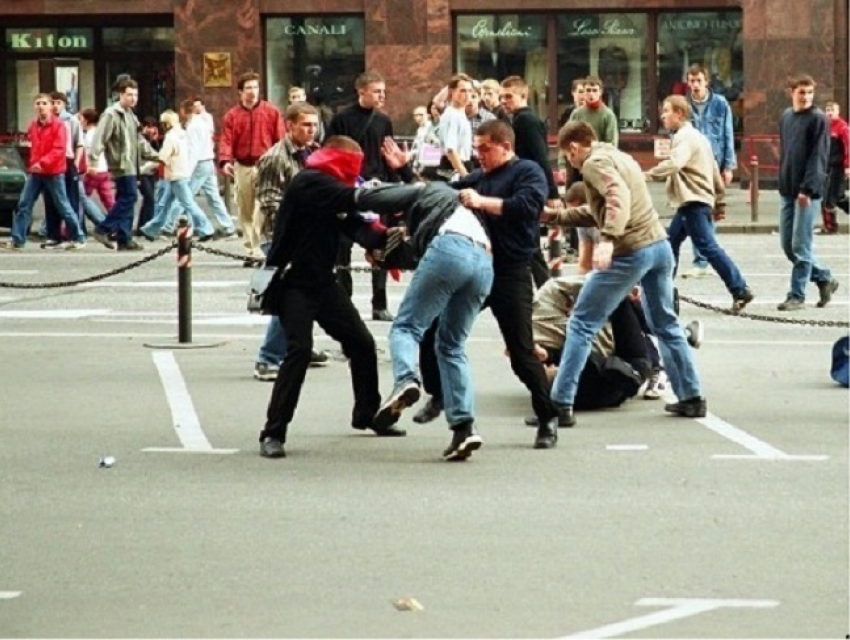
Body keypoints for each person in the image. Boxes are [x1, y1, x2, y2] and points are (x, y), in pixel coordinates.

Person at [544, 120, 706, 425]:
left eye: (568, 157)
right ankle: (692, 397)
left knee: (581, 323)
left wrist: (607, 239)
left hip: (631, 249)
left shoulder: (593, 164)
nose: (570, 164)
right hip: (658, 245)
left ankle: (560, 403)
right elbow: (601, 208)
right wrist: (558, 217)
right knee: (665, 323)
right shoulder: (621, 157)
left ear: (574, 148)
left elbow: (617, 198)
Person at [257, 136, 405, 459]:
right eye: (353, 164)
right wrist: (413, 193)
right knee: (299, 350)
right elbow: (358, 200)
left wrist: (386, 237)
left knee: (361, 344)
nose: (356, 172)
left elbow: (357, 225)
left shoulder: (329, 189)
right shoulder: (310, 182)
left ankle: (366, 413)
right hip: (291, 281)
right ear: (339, 160)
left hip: (322, 282)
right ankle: (273, 432)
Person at [435, 119, 562, 449]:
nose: (479, 155)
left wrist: (481, 202)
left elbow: (527, 207)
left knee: (521, 351)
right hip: (477, 268)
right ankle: (438, 394)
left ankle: (548, 417)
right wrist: (407, 174)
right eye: (476, 149)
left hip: (511, 272)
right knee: (439, 332)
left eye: (485, 149)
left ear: (506, 147)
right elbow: (449, 189)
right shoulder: (481, 177)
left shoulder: (527, 172)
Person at [355, 181, 494, 460]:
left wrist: (349, 194)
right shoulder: (459, 211)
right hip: (484, 262)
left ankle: (406, 380)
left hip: (450, 248)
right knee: (451, 345)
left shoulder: (427, 189)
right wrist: (385, 258)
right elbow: (424, 258)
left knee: (406, 327)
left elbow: (376, 197)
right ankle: (464, 428)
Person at [645, 95, 754, 312]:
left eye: (666, 111)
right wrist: (719, 202)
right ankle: (662, 293)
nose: (663, 116)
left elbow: (675, 163)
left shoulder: (684, 137)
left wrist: (647, 174)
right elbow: (714, 171)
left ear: (680, 114)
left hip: (692, 200)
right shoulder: (699, 137)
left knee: (706, 246)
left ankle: (739, 288)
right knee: (669, 243)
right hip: (697, 200)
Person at [328, 71, 415, 322]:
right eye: (377, 91)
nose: (382, 96)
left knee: (380, 247)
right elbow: (332, 151)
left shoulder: (383, 121)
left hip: (378, 189)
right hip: (350, 190)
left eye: (384, 91)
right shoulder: (342, 119)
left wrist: (395, 191)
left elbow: (389, 155)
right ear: (361, 91)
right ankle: (345, 303)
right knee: (342, 249)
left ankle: (380, 303)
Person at [252, 103, 328, 381]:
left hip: (307, 235)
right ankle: (268, 358)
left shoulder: (313, 152)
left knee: (307, 293)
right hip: (281, 237)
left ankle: (299, 347)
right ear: (290, 125)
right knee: (287, 296)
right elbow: (269, 201)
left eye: (314, 124)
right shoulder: (275, 158)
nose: (312, 130)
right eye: (306, 125)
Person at [531, 276, 650, 411]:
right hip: (619, 371)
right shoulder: (550, 297)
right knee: (619, 300)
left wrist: (547, 356)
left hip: (608, 378)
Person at [776, 74, 839, 311]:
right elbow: (786, 152)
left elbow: (818, 158)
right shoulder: (786, 117)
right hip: (787, 189)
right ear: (791, 92)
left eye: (810, 93)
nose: (806, 97)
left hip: (807, 192)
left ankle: (797, 295)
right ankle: (823, 278)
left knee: (801, 245)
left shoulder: (818, 119)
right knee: (788, 245)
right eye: (801, 92)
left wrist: (808, 189)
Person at [1, 94, 86, 251]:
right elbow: (33, 147)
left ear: (51, 106)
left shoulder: (59, 125)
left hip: (54, 172)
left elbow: (59, 149)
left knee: (63, 205)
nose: (41, 106)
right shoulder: (33, 125)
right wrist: (33, 164)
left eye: (44, 103)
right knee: (24, 204)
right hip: (36, 172)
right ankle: (17, 239)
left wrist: (42, 163)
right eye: (38, 103)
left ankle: (78, 237)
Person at [218, 71, 285, 264]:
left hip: (265, 165)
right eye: (248, 88)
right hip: (242, 165)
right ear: (240, 91)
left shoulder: (271, 112)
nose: (252, 92)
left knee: (261, 208)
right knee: (245, 208)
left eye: (255, 87)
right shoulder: (232, 115)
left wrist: (280, 161)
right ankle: (250, 248)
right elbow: (226, 140)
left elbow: (279, 139)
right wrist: (225, 161)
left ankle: (257, 248)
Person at [500, 75, 560, 288]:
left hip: (529, 187)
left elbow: (541, 156)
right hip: (523, 185)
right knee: (527, 242)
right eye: (502, 97)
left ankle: (547, 290)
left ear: (523, 95)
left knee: (530, 243)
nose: (504, 101)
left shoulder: (526, 120)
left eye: (509, 96)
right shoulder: (517, 119)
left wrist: (552, 193)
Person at [88, 77, 158, 251]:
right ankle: (103, 228)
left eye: (135, 95)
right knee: (130, 197)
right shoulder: (111, 114)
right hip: (121, 163)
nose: (133, 98)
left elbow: (139, 141)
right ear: (120, 95)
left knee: (125, 198)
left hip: (131, 163)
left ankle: (124, 238)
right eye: (129, 95)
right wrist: (93, 160)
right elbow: (100, 137)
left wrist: (156, 156)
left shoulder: (131, 116)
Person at [683, 63, 738, 278]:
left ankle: (704, 258)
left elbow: (727, 135)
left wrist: (728, 166)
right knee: (695, 212)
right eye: (692, 81)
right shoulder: (684, 105)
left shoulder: (720, 104)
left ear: (706, 82)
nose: (695, 85)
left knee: (708, 212)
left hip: (714, 163)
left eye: (699, 81)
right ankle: (703, 259)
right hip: (692, 166)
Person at [138, 110, 216, 241]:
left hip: (176, 176)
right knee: (166, 204)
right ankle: (151, 229)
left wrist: (144, 168)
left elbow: (162, 158)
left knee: (188, 204)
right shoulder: (182, 135)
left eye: (163, 123)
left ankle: (206, 228)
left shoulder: (171, 138)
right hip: (180, 174)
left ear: (167, 124)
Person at [177, 97, 236, 237]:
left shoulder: (192, 126)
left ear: (185, 111)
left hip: (199, 163)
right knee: (213, 197)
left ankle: (194, 226)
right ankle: (228, 226)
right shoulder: (203, 123)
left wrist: (187, 170)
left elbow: (194, 150)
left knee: (187, 197)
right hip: (209, 161)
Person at [42, 91, 84, 246]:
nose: (55, 106)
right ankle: (53, 234)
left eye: (58, 102)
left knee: (69, 200)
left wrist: (76, 163)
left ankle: (73, 234)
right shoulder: (46, 121)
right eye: (52, 102)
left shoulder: (71, 120)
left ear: (64, 104)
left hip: (67, 160)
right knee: (51, 199)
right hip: (50, 163)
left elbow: (79, 143)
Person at [819, 100, 850, 233]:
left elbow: (848, 147)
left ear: (838, 112)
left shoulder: (842, 127)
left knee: (828, 199)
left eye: (832, 110)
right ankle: (830, 226)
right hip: (827, 167)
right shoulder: (825, 127)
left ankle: (830, 227)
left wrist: (848, 166)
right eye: (828, 110)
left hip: (837, 167)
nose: (830, 113)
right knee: (839, 197)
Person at [436, 74, 474, 180]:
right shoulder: (452, 115)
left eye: (470, 91)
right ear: (452, 92)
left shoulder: (460, 114)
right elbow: (451, 150)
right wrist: (465, 175)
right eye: (462, 91)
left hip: (462, 164)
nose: (467, 95)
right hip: (454, 168)